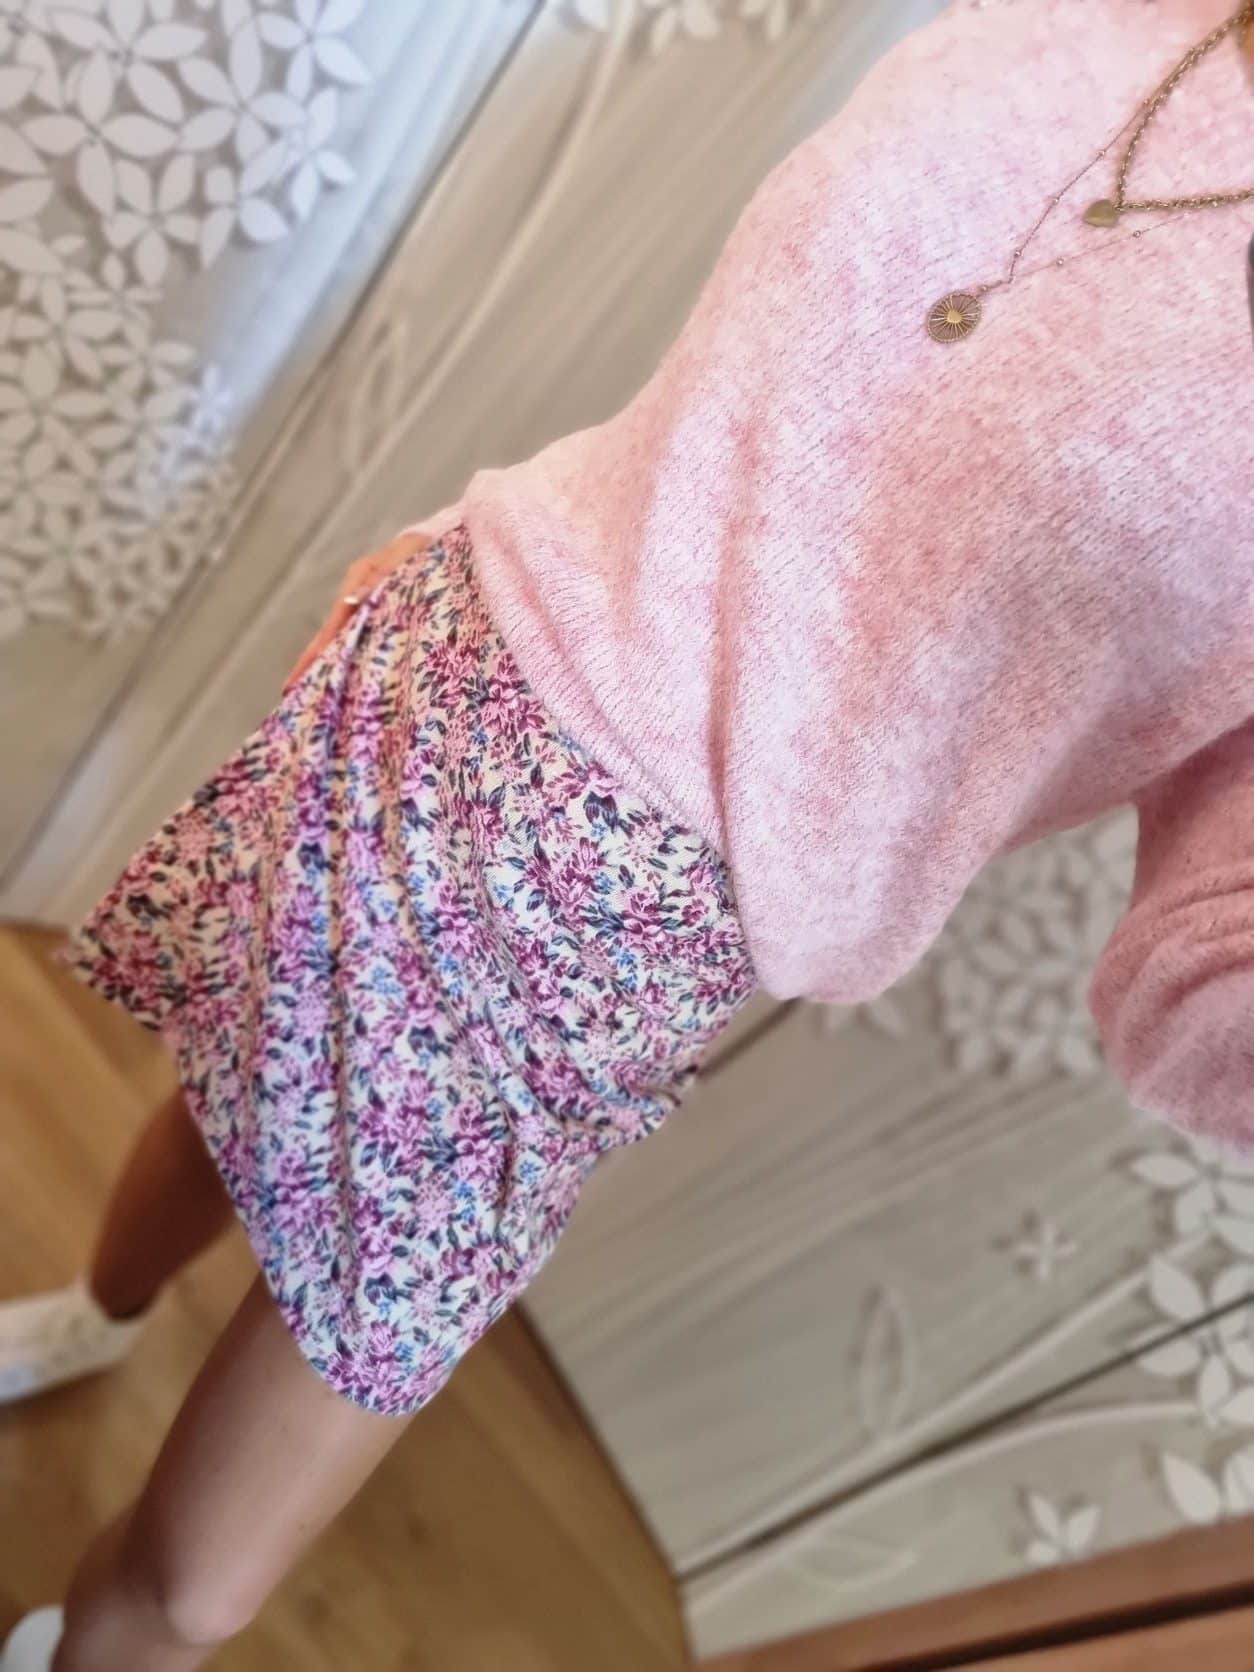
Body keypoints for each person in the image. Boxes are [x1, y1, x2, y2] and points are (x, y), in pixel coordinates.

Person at [4, 0, 1253, 1665]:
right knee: (226, 1088)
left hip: (616, 932)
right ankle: (94, 1318)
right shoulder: (1109, 19)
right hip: (446, 651)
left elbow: (1204, 977)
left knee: (193, 1584)